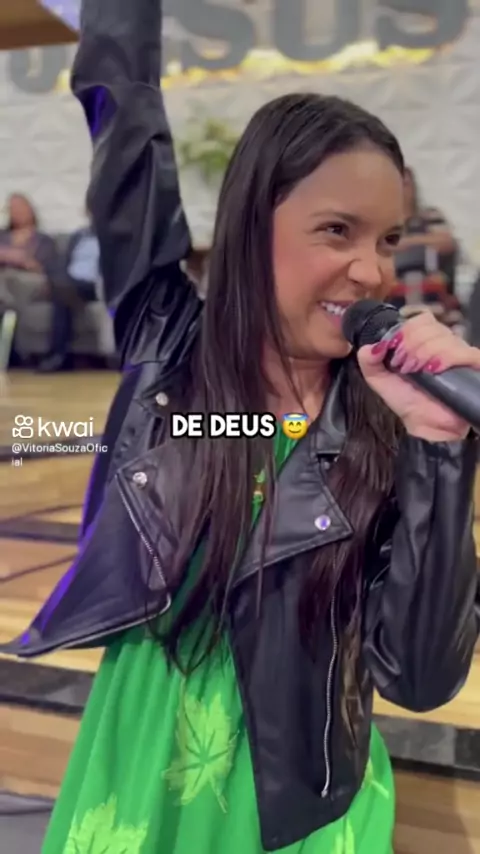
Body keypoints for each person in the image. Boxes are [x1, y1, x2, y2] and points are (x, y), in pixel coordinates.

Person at [3, 0, 480, 852]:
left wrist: (442, 452)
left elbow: (418, 678)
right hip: (146, 754)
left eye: (388, 239)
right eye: (337, 231)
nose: (371, 270)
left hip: (302, 791)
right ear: (252, 228)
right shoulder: (168, 342)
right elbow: (128, 129)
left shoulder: (387, 427)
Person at [38, 212, 101, 372]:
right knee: (62, 293)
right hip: (72, 282)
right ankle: (59, 356)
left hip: (96, 284)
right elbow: (63, 261)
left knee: (62, 291)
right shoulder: (79, 236)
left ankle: (58, 355)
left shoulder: (115, 237)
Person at [0, 194, 61, 316]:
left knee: (10, 280)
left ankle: (8, 312)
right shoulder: (2, 235)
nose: (17, 212)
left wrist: (20, 259)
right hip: (4, 278)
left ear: (31, 210)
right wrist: (11, 255)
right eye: (13, 209)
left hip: (31, 280)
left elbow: (43, 268)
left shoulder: (44, 240)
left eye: (21, 207)